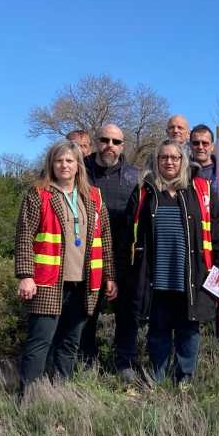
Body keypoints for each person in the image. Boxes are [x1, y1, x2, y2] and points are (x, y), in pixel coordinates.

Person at [15, 139, 116, 393]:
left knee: (71, 342)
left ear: (78, 165)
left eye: (69, 160)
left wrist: (109, 276)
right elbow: (24, 235)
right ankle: (29, 395)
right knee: (40, 342)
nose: (64, 165)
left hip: (84, 282)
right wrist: (26, 275)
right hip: (48, 281)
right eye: (59, 160)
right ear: (51, 164)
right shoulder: (39, 193)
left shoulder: (93, 197)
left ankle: (60, 391)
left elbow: (105, 239)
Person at [126, 140, 219, 384]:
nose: (169, 162)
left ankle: (185, 377)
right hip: (156, 277)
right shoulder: (145, 191)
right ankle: (159, 378)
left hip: (192, 276)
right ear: (157, 161)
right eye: (164, 157)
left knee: (188, 331)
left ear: (183, 161)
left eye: (175, 157)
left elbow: (218, 233)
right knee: (158, 331)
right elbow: (128, 237)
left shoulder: (201, 191)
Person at [81, 123, 142, 376]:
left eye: (116, 142)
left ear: (123, 145)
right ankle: (86, 359)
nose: (110, 146)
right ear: (96, 141)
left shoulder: (135, 176)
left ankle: (124, 361)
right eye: (105, 140)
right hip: (86, 253)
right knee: (87, 310)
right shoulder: (80, 170)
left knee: (127, 312)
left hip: (123, 254)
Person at [189, 123, 219, 192]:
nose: (200, 147)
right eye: (196, 143)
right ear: (190, 146)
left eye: (205, 143)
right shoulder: (182, 171)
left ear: (212, 147)